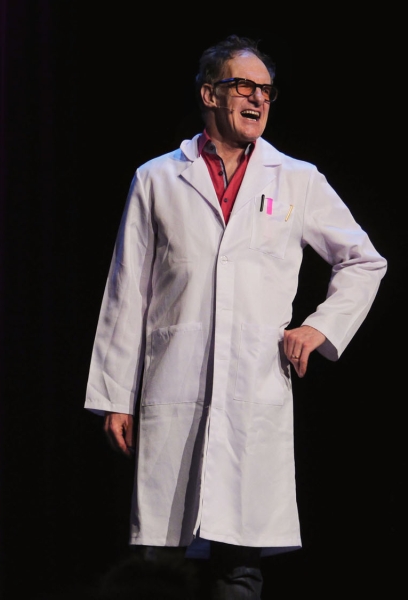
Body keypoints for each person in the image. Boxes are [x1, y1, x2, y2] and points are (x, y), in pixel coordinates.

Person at [84, 35, 386, 599]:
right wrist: (115, 395)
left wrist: (319, 326)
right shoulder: (157, 178)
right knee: (160, 565)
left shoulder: (296, 179)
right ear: (209, 94)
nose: (258, 99)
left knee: (240, 569)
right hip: (174, 389)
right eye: (244, 86)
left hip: (254, 392)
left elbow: (364, 260)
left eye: (266, 90)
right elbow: (127, 292)